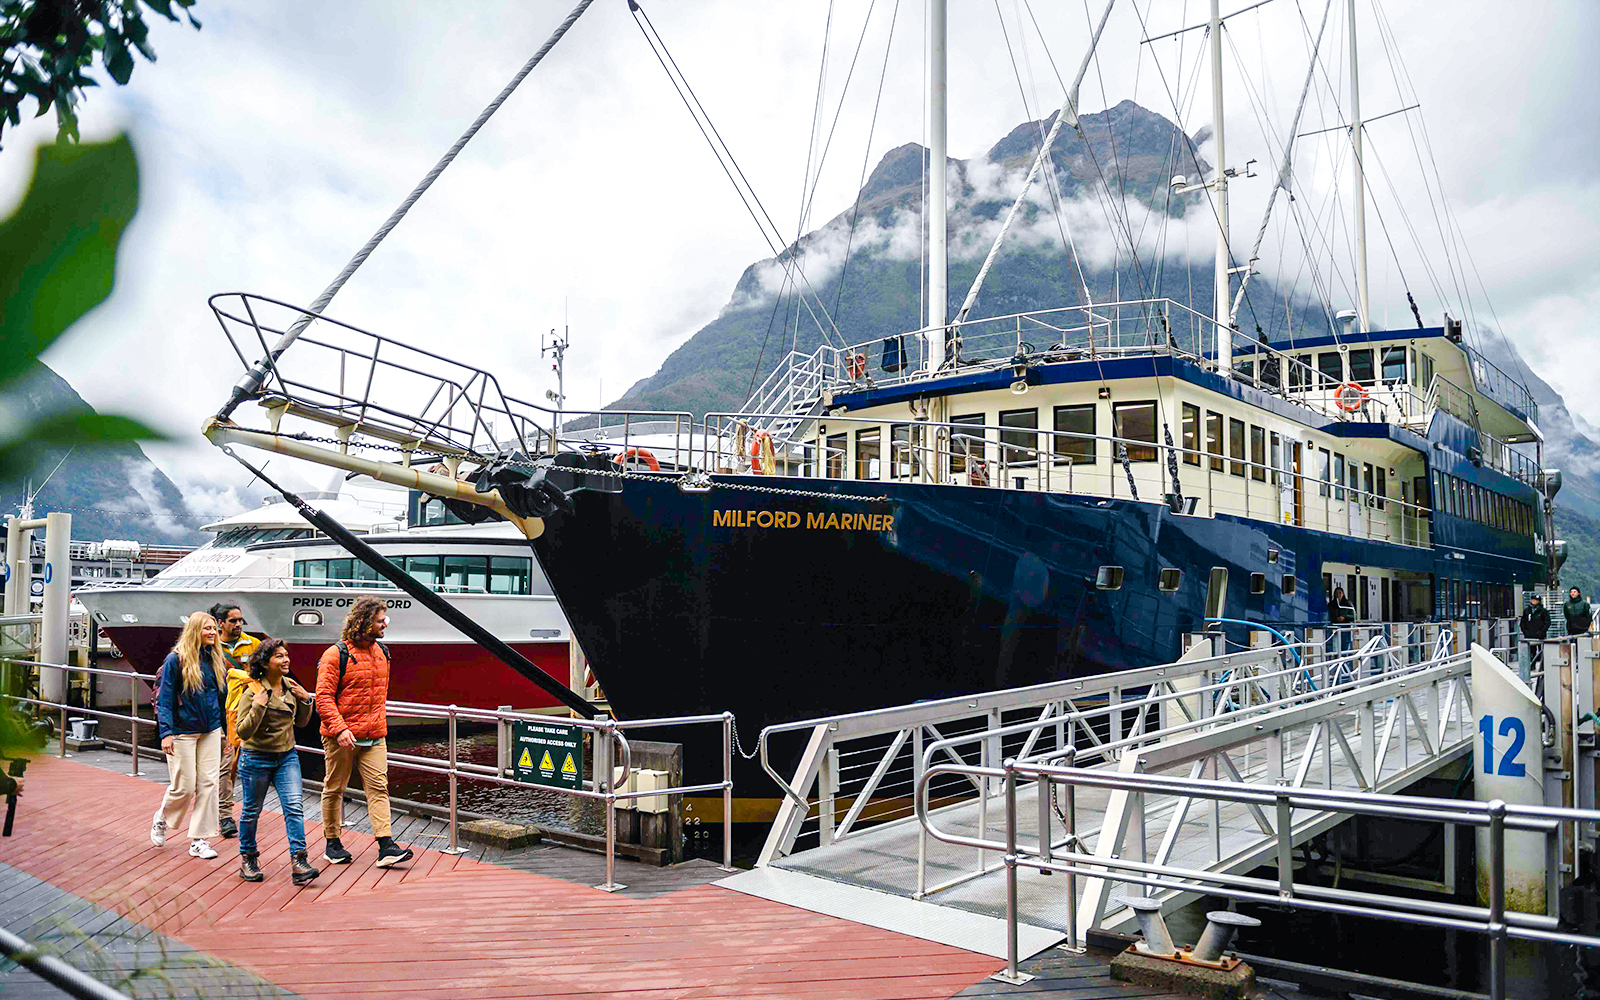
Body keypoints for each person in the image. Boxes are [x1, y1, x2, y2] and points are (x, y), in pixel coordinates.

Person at [316, 596, 412, 868]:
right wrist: (340, 729)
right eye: (381, 620)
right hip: (342, 737)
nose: (385, 625)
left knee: (379, 788)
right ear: (365, 621)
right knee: (334, 788)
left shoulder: (383, 652)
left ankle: (386, 845)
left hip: (374, 735)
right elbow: (323, 697)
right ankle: (332, 843)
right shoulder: (336, 654)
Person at [234, 638, 319, 885]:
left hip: (287, 756)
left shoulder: (291, 686)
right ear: (265, 662)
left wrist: (306, 701)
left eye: (286, 655)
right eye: (279, 656)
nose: (286, 659)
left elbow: (301, 723)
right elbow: (243, 731)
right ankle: (248, 858)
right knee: (252, 811)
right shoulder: (252, 692)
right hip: (256, 757)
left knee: (294, 807)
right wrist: (259, 706)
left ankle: (299, 861)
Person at [152, 612, 226, 860]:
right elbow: (165, 699)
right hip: (182, 731)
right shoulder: (176, 660)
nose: (213, 633)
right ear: (195, 630)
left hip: (210, 730)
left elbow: (219, 697)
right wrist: (166, 733)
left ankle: (199, 840)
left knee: (209, 784)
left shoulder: (215, 658)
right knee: (184, 786)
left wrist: (223, 729)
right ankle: (163, 816)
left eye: (214, 629)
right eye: (208, 628)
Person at [210, 601, 261, 841]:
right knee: (228, 765)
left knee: (253, 763)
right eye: (233, 620)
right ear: (221, 623)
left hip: (253, 710)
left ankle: (249, 812)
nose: (239, 624)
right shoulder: (211, 646)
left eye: (240, 620)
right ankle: (225, 816)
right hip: (226, 711)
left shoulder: (254, 644)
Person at [1329, 586, 1356, 651]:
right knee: (1334, 647)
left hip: (1345, 628)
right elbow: (1328, 616)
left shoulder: (1348, 603)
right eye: (1337, 593)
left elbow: (1353, 616)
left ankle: (1345, 659)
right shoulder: (1331, 604)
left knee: (1345, 647)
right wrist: (1336, 619)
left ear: (1343, 594)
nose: (1339, 595)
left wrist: (1345, 617)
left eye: (1340, 593)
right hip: (1334, 628)